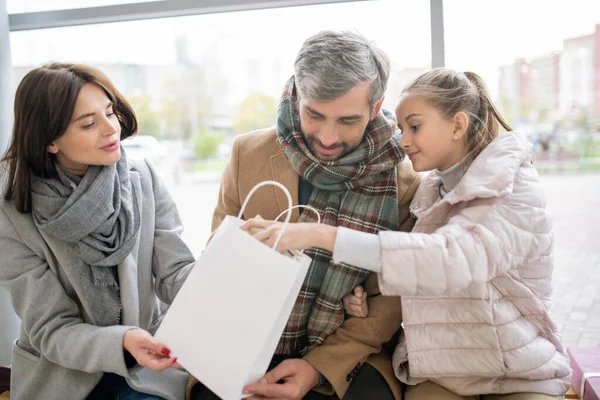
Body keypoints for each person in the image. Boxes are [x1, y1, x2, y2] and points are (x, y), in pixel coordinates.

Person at [243, 68, 572, 399]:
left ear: (458, 125)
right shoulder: (429, 192)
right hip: (443, 372)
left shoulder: (515, 189)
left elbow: (448, 259)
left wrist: (320, 235)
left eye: (415, 126)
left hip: (519, 372)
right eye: (401, 129)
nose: (402, 141)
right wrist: (356, 300)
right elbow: (408, 268)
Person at [188, 30, 420, 400]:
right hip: (244, 341)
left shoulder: (402, 178)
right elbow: (215, 259)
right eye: (315, 115)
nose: (328, 138)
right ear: (297, 96)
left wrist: (316, 368)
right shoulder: (246, 154)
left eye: (347, 120)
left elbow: (388, 305)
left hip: (344, 350)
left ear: (375, 109)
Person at [0, 63, 196, 400]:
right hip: (61, 378)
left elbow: (174, 273)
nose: (111, 129)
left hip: (147, 368)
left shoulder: (142, 176)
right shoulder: (11, 209)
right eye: (89, 124)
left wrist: (228, 270)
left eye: (110, 112)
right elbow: (52, 329)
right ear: (49, 141)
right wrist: (121, 341)